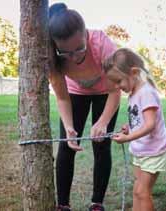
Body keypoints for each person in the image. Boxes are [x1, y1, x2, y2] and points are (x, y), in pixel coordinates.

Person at [48, 3, 120, 211]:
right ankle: (63, 205)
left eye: (79, 49)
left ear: (85, 34)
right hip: (74, 94)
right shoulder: (53, 54)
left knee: (101, 144)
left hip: (104, 93)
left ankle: (97, 203)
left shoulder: (102, 44)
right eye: (66, 53)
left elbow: (116, 91)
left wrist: (103, 122)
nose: (75, 57)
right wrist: (69, 128)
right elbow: (62, 98)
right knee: (66, 145)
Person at [103, 48, 166, 211]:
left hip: (153, 151)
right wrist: (129, 127)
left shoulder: (146, 92)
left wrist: (128, 138)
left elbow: (150, 124)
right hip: (141, 150)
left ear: (133, 72)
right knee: (137, 190)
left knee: (142, 191)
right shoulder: (134, 92)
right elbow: (140, 119)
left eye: (119, 81)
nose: (118, 87)